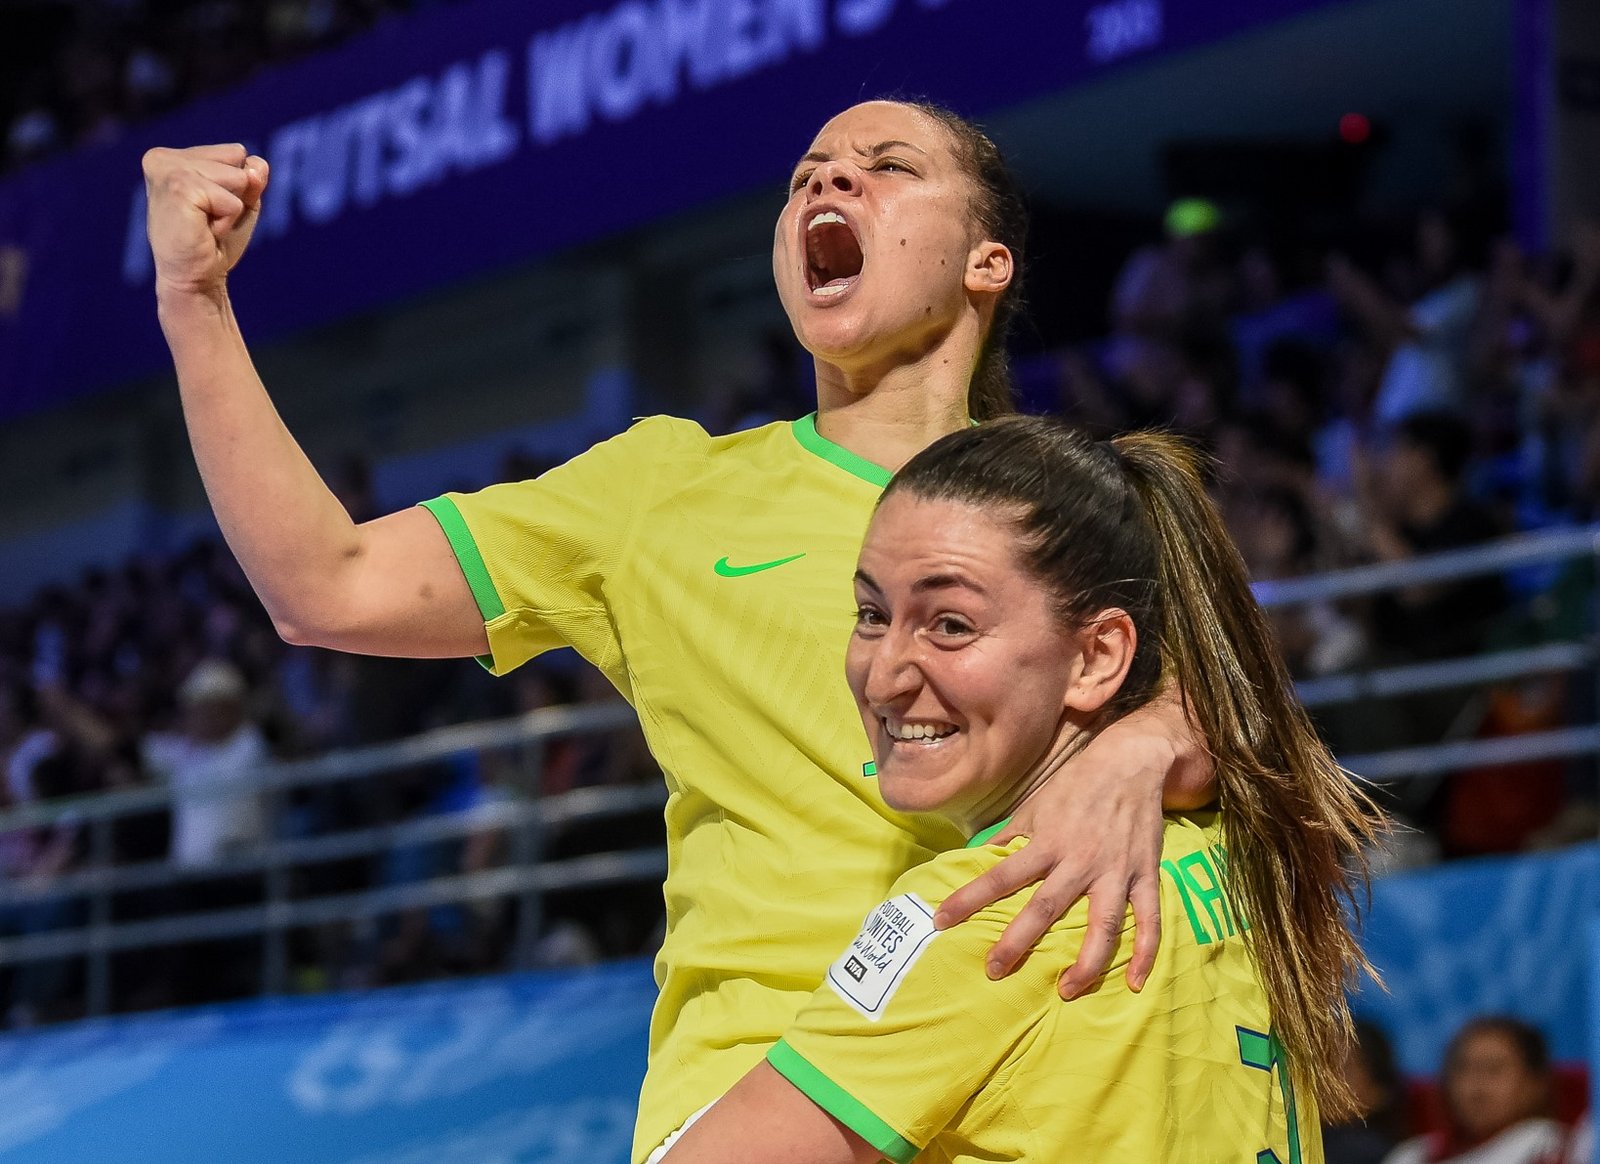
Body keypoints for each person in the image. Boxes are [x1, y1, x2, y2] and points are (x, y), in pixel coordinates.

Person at [141, 100, 1213, 1161]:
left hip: (1029, 1100)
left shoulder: (1072, 510)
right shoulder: (661, 492)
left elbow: (1244, 724)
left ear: (988, 263)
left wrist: (1146, 738)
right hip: (755, 1104)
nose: (825, 185)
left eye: (884, 167)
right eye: (806, 173)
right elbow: (324, 584)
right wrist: (195, 301)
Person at [661, 418, 1386, 1162]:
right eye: (872, 615)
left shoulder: (993, 912)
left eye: (950, 624)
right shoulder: (1233, 836)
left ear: (1099, 655)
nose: (883, 675)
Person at [1384, 1018, 1565, 1164]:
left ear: (1535, 1083)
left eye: (1494, 1069)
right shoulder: (1412, 1154)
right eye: (1463, 1068)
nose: (1476, 1086)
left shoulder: (1549, 1147)